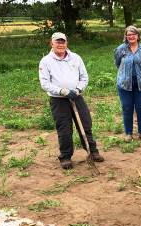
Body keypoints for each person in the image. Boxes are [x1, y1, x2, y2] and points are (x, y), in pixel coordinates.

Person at [39, 32, 104, 169]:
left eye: (63, 42)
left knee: (86, 124)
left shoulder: (75, 58)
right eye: (58, 42)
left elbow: (84, 77)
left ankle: (92, 151)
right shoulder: (46, 61)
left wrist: (78, 90)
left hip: (76, 96)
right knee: (64, 129)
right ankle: (66, 157)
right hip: (59, 100)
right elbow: (45, 83)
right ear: (52, 43)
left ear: (66, 43)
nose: (60, 44)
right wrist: (62, 91)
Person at [114, 26, 141, 142]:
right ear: (126, 37)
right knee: (127, 108)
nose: (131, 37)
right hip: (125, 84)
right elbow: (118, 63)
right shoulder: (121, 49)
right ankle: (128, 133)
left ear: (138, 36)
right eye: (129, 35)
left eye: (133, 34)